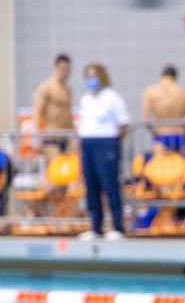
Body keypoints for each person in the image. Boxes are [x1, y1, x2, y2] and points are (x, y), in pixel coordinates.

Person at [77, 63, 129, 241]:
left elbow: (123, 124)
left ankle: (117, 227)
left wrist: (113, 144)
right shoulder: (85, 99)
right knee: (91, 187)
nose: (92, 79)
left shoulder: (111, 97)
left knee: (110, 185)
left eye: (95, 75)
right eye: (88, 75)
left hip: (106, 143)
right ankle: (96, 227)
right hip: (88, 143)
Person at [142, 65, 185, 149]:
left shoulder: (150, 92)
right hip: (180, 135)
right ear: (176, 77)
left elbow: (146, 119)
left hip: (162, 135)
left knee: (160, 161)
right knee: (180, 162)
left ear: (161, 75)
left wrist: (154, 133)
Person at [32, 54, 74, 158]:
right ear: (56, 68)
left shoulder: (68, 89)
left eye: (67, 70)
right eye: (63, 69)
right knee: (54, 170)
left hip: (65, 137)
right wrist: (37, 136)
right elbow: (37, 112)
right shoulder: (46, 87)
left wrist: (73, 136)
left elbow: (68, 114)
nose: (65, 73)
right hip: (51, 138)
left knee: (66, 171)